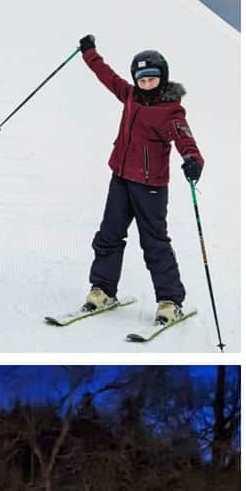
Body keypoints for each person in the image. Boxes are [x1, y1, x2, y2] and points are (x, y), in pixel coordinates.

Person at [76, 35, 204, 325]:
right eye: (141, 79)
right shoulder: (130, 96)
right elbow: (107, 77)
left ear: (162, 78)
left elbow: (185, 139)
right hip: (120, 178)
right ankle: (103, 290)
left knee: (154, 243)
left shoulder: (171, 110)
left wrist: (194, 160)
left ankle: (170, 301)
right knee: (109, 235)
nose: (146, 84)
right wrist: (90, 54)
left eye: (152, 79)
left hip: (151, 186)